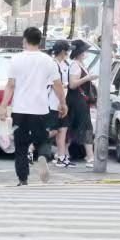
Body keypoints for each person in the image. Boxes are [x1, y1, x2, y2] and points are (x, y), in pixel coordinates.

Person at [0, 27, 67, 186]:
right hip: (41, 109)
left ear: (24, 40)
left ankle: (23, 179)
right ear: (40, 41)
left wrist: (3, 107)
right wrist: (63, 104)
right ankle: (42, 156)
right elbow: (57, 85)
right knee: (42, 139)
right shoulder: (48, 61)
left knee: (21, 146)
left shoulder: (16, 60)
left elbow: (10, 85)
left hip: (20, 110)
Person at [67, 39, 97, 168]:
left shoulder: (80, 64)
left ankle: (62, 152)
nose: (86, 53)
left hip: (80, 100)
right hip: (77, 100)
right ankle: (90, 156)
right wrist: (87, 78)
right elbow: (72, 84)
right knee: (85, 127)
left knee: (73, 126)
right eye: (85, 50)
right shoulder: (75, 65)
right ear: (79, 52)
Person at [49, 40, 73, 168]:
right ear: (63, 51)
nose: (69, 53)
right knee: (52, 131)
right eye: (68, 50)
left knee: (63, 130)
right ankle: (29, 148)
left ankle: (61, 157)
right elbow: (55, 85)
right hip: (54, 103)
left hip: (62, 102)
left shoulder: (64, 64)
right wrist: (60, 102)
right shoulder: (53, 65)